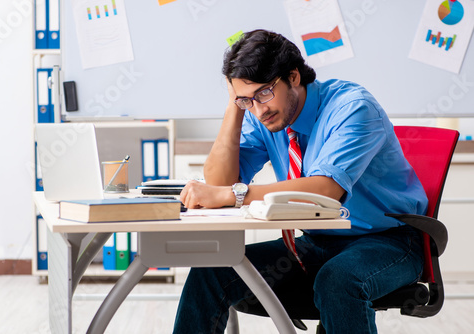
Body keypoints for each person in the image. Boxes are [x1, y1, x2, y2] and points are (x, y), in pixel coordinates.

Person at [173, 29, 427, 334]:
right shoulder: (262, 113)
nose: (259, 109)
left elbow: (325, 190)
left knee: (338, 279)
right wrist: (234, 107)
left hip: (389, 241)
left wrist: (234, 195)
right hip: (315, 244)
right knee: (212, 271)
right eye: (247, 100)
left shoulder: (353, 108)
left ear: (293, 76)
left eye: (265, 92)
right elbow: (220, 182)